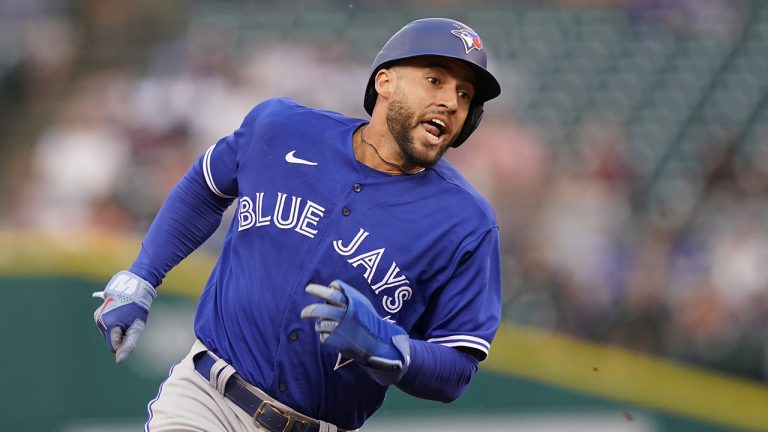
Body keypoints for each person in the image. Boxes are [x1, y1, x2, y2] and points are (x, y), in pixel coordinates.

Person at [92, 17, 502, 432]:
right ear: (385, 82)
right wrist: (143, 274)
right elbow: (207, 184)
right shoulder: (283, 129)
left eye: (464, 95)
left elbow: (458, 367)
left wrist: (389, 348)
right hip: (208, 399)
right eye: (435, 80)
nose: (451, 102)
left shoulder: (467, 223)